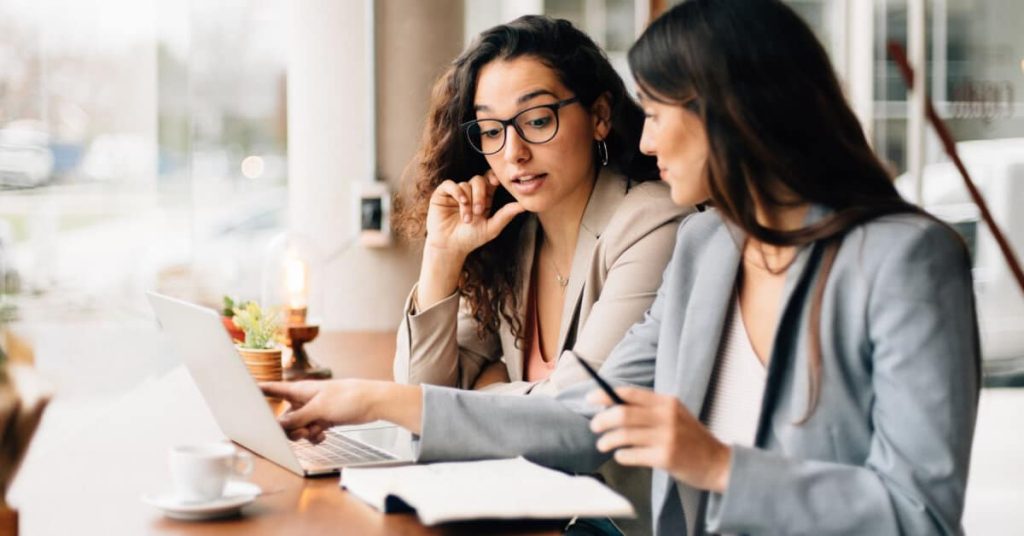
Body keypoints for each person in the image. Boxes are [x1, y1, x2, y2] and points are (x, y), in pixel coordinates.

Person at [263, 1, 981, 534]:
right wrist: (376, 399)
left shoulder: (905, 260)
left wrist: (720, 465)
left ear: (733, 114)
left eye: (658, 110)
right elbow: (581, 419)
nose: (647, 135)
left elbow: (921, 513)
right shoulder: (709, 249)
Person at [391, 15, 688, 397]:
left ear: (599, 116)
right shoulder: (512, 233)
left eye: (537, 120)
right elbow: (421, 394)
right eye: (492, 130)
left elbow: (578, 405)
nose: (514, 153)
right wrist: (442, 254)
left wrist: (487, 387)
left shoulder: (651, 222)